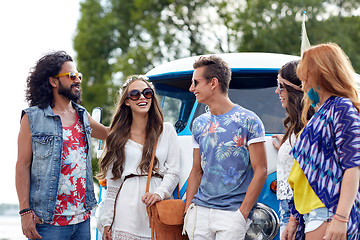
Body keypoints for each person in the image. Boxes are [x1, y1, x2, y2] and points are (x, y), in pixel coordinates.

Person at [15, 51, 109, 240]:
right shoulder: (32, 117)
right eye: (71, 76)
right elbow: (22, 165)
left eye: (78, 76)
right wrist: (25, 212)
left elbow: (108, 134)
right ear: (53, 81)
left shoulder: (82, 115)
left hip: (82, 219)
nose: (78, 80)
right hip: (48, 222)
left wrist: (131, 106)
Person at [183, 55, 268, 240]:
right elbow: (196, 170)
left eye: (195, 83)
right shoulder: (198, 124)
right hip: (200, 212)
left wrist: (242, 214)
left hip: (232, 215)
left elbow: (261, 170)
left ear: (213, 82)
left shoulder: (249, 121)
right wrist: (188, 209)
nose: (191, 88)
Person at [282, 43, 360, 240]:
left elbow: (353, 165)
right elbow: (303, 173)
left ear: (320, 74)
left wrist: (341, 218)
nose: (303, 84)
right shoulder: (321, 113)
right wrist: (294, 218)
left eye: (305, 76)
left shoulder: (340, 107)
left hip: (328, 213)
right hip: (312, 214)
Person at [97, 75, 180, 240]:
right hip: (125, 210)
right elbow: (113, 183)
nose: (142, 97)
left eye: (147, 93)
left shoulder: (167, 130)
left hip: (156, 207)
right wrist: (108, 221)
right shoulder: (117, 136)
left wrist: (159, 193)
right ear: (126, 101)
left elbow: (174, 171)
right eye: (135, 94)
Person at [272, 60, 315, 237]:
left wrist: (293, 219)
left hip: (298, 213)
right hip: (290, 211)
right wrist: (287, 143)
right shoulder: (297, 128)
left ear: (295, 89)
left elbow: (305, 177)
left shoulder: (309, 126)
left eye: (280, 86)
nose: (277, 91)